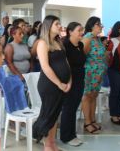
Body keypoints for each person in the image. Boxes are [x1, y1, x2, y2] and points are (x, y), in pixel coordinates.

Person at [32, 15, 71, 150]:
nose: (60, 26)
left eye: (60, 24)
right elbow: (45, 67)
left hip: (61, 85)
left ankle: (52, 144)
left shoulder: (58, 42)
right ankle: (47, 145)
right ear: (49, 26)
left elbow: (66, 63)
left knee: (54, 116)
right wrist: (60, 84)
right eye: (57, 24)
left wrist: (69, 80)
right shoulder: (42, 43)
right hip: (49, 86)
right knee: (49, 116)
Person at [60, 22, 86, 147]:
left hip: (80, 79)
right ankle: (66, 136)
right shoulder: (65, 45)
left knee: (74, 107)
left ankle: (73, 134)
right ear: (70, 32)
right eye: (79, 30)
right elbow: (64, 65)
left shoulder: (80, 45)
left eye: (82, 30)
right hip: (69, 80)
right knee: (68, 108)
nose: (82, 32)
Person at [82, 16, 107, 134]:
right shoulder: (87, 38)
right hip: (89, 73)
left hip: (98, 74)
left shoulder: (97, 38)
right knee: (87, 96)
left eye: (101, 24)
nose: (101, 26)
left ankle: (92, 120)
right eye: (98, 24)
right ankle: (87, 122)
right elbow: (82, 57)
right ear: (91, 26)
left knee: (94, 96)